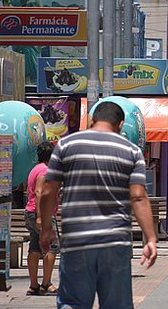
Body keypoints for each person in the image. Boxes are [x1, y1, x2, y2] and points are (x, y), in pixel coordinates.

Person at [39, 101, 157, 308]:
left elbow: (49, 190)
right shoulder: (131, 151)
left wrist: (46, 228)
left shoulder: (66, 145)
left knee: (72, 302)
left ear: (92, 120)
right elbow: (138, 196)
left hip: (77, 240)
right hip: (115, 241)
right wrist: (151, 239)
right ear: (120, 124)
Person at [25, 141, 59, 296]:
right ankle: (46, 283)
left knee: (34, 247)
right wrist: (40, 217)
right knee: (52, 247)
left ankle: (34, 285)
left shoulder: (34, 169)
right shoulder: (45, 171)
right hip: (42, 214)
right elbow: (39, 192)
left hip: (30, 211)